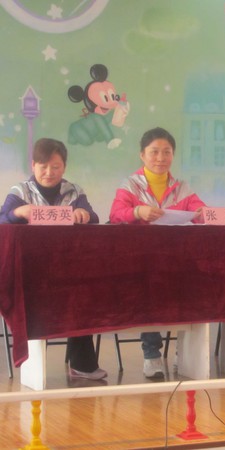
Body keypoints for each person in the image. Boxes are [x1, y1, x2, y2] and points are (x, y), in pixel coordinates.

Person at [0, 138, 107, 381]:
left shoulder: (74, 191)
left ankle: (82, 364)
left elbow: (94, 218)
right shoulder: (20, 192)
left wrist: (84, 213)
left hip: (70, 269)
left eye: (56, 167)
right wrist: (17, 212)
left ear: (64, 167)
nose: (49, 172)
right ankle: (33, 366)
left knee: (83, 294)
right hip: (31, 271)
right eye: (43, 166)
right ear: (33, 165)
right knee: (35, 298)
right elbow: (2, 220)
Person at [109, 127, 206, 378]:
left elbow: (201, 212)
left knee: (193, 286)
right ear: (142, 155)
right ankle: (152, 354)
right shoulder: (131, 185)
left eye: (167, 152)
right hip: (142, 259)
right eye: (154, 152)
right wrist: (137, 212)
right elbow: (115, 214)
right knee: (149, 292)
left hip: (176, 258)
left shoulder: (181, 187)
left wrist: (203, 214)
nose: (161, 158)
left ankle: (184, 353)